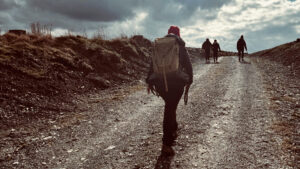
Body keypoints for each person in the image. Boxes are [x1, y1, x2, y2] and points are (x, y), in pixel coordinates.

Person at [146, 26, 193, 156]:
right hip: (176, 83)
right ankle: (166, 144)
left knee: (170, 106)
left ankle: (173, 128)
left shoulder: (160, 46)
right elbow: (188, 65)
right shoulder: (179, 45)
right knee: (170, 109)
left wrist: (149, 81)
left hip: (160, 83)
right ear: (178, 34)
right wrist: (190, 80)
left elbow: (153, 64)